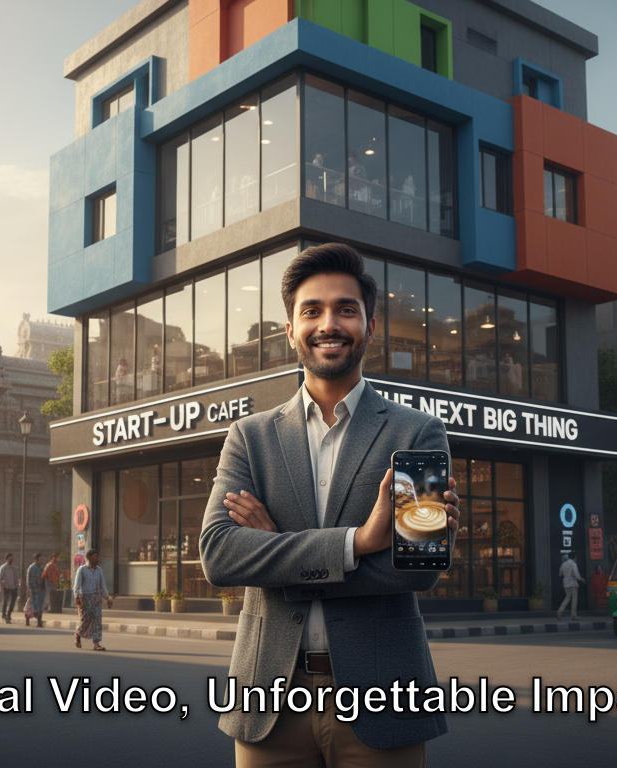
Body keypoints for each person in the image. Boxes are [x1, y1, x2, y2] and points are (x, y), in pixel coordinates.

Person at [201, 243, 460, 766]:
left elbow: (417, 570)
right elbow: (219, 556)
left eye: (346, 309)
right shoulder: (249, 437)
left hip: (384, 699)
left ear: (369, 325)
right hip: (268, 702)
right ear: (291, 328)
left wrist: (274, 553)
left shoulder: (417, 432)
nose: (329, 324)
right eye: (311, 310)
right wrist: (359, 543)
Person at [73, 549, 111, 650]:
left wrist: (108, 597)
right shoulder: (82, 570)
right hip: (86, 599)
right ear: (88, 558)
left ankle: (96, 643)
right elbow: (77, 586)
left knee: (97, 620)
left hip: (97, 598)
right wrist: (78, 598)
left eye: (97, 557)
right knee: (84, 620)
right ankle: (77, 635)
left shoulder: (99, 570)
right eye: (94, 557)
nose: (96, 559)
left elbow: (103, 585)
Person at [557, 552, 585, 621]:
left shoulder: (563, 564)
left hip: (566, 584)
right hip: (573, 584)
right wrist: (581, 579)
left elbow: (560, 574)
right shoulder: (573, 564)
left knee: (567, 598)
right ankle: (574, 615)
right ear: (575, 557)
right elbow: (576, 575)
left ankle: (559, 611)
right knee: (574, 599)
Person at [25, 553, 46, 627]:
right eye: (40, 559)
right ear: (36, 559)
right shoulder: (31, 568)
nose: (41, 560)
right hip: (34, 591)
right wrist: (31, 589)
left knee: (39, 607)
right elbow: (29, 580)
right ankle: (27, 620)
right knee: (32, 607)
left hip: (41, 591)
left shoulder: (41, 568)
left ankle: (39, 621)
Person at [0, 552, 18, 623]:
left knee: (13, 602)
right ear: (7, 559)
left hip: (14, 587)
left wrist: (17, 585)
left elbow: (16, 577)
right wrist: (4, 582)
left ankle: (9, 614)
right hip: (6, 587)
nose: (11, 560)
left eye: (12, 559)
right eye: (9, 559)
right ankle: (4, 614)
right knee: (6, 602)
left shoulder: (14, 568)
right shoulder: (3, 567)